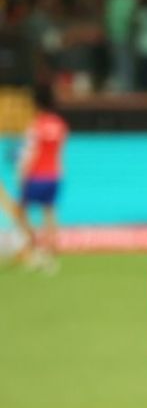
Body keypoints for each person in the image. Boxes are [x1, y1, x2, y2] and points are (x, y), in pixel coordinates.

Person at [15, 85, 68, 272]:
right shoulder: (60, 124)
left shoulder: (36, 125)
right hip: (54, 175)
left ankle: (34, 245)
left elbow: (30, 153)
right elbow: (60, 152)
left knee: (19, 212)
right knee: (50, 213)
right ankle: (51, 255)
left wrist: (21, 176)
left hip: (36, 175)